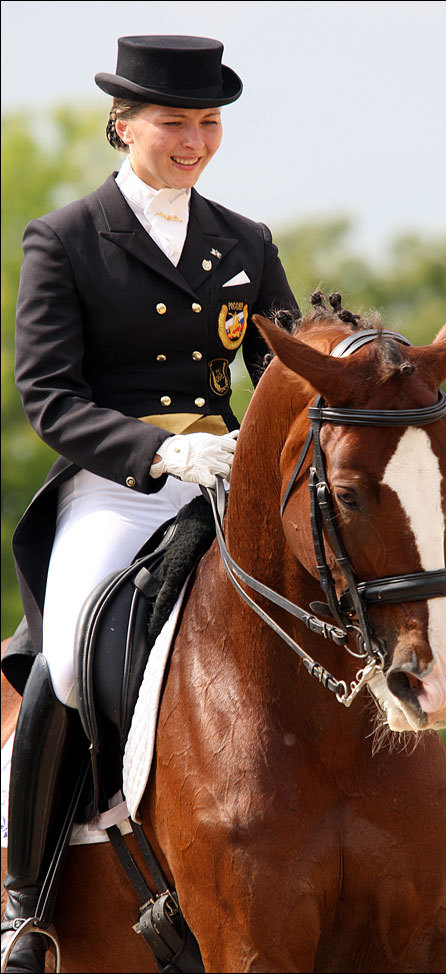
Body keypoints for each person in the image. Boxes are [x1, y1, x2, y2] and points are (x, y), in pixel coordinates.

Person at [1, 34, 298, 972]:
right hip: (120, 490)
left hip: (225, 486)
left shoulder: (246, 243)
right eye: (175, 122)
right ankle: (28, 900)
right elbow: (48, 394)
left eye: (208, 122)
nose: (194, 140)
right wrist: (161, 450)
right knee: (70, 657)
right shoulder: (65, 239)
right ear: (123, 124)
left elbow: (286, 370)